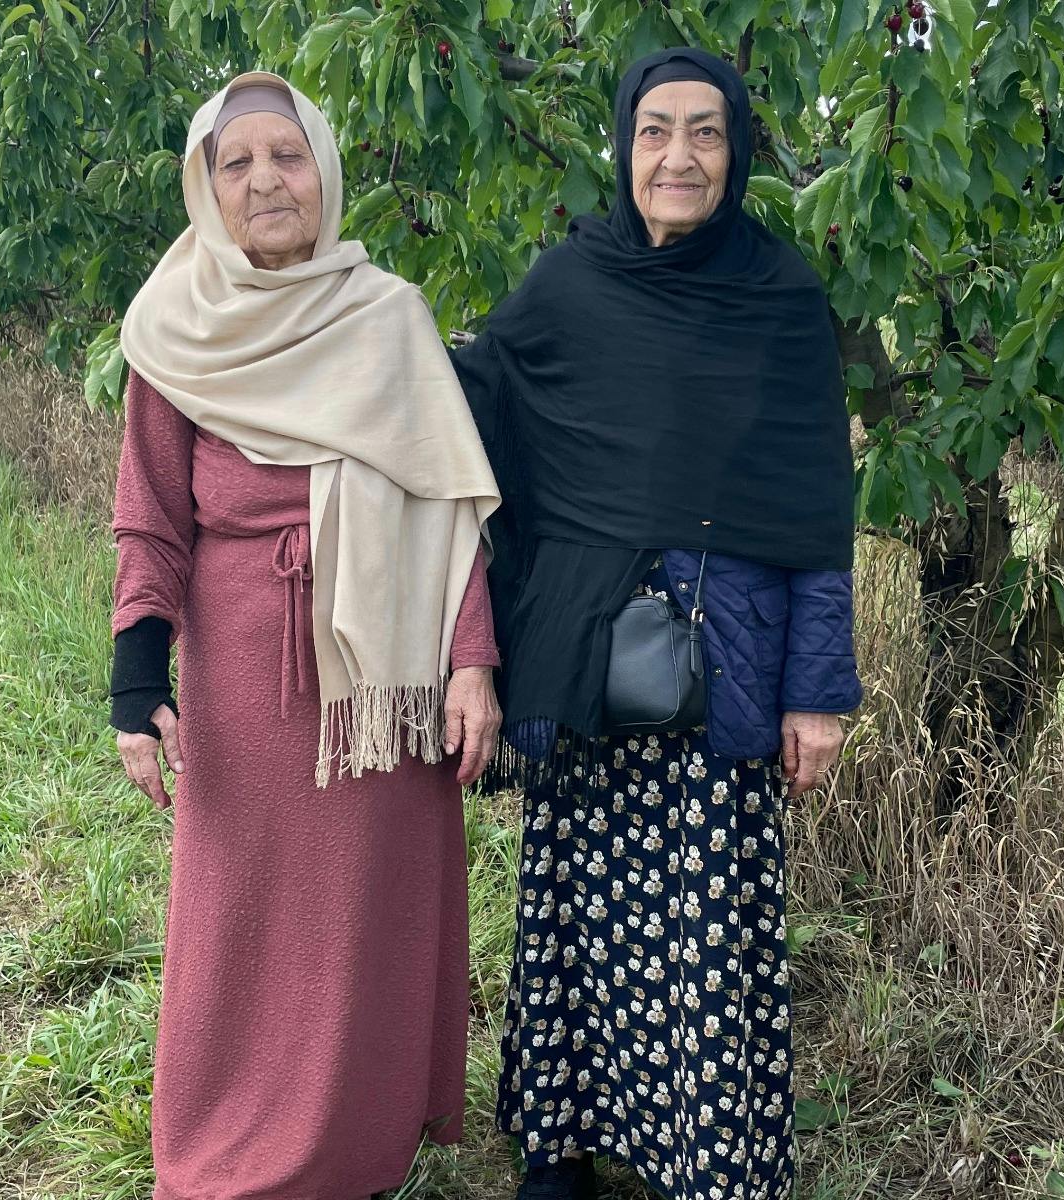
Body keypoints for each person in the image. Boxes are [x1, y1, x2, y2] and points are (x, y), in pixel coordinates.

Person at [449, 47, 863, 1200]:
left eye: (706, 133)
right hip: (581, 660)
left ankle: (708, 1165)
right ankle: (561, 1149)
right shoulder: (567, 285)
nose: (677, 156)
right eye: (653, 132)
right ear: (622, 144)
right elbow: (470, 400)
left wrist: (815, 691)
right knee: (575, 918)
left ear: (737, 154)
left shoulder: (777, 299)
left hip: (724, 671)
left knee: (706, 945)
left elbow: (813, 508)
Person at [107, 70, 503, 1200]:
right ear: (207, 188)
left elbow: (447, 509)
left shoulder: (389, 317)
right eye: (237, 163)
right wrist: (138, 685)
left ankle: (353, 1155)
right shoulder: (171, 329)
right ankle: (222, 1157)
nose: (265, 180)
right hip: (241, 674)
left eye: (287, 156)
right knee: (238, 923)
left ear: (322, 171)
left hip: (383, 680)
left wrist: (470, 660)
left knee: (361, 921)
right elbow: (150, 517)